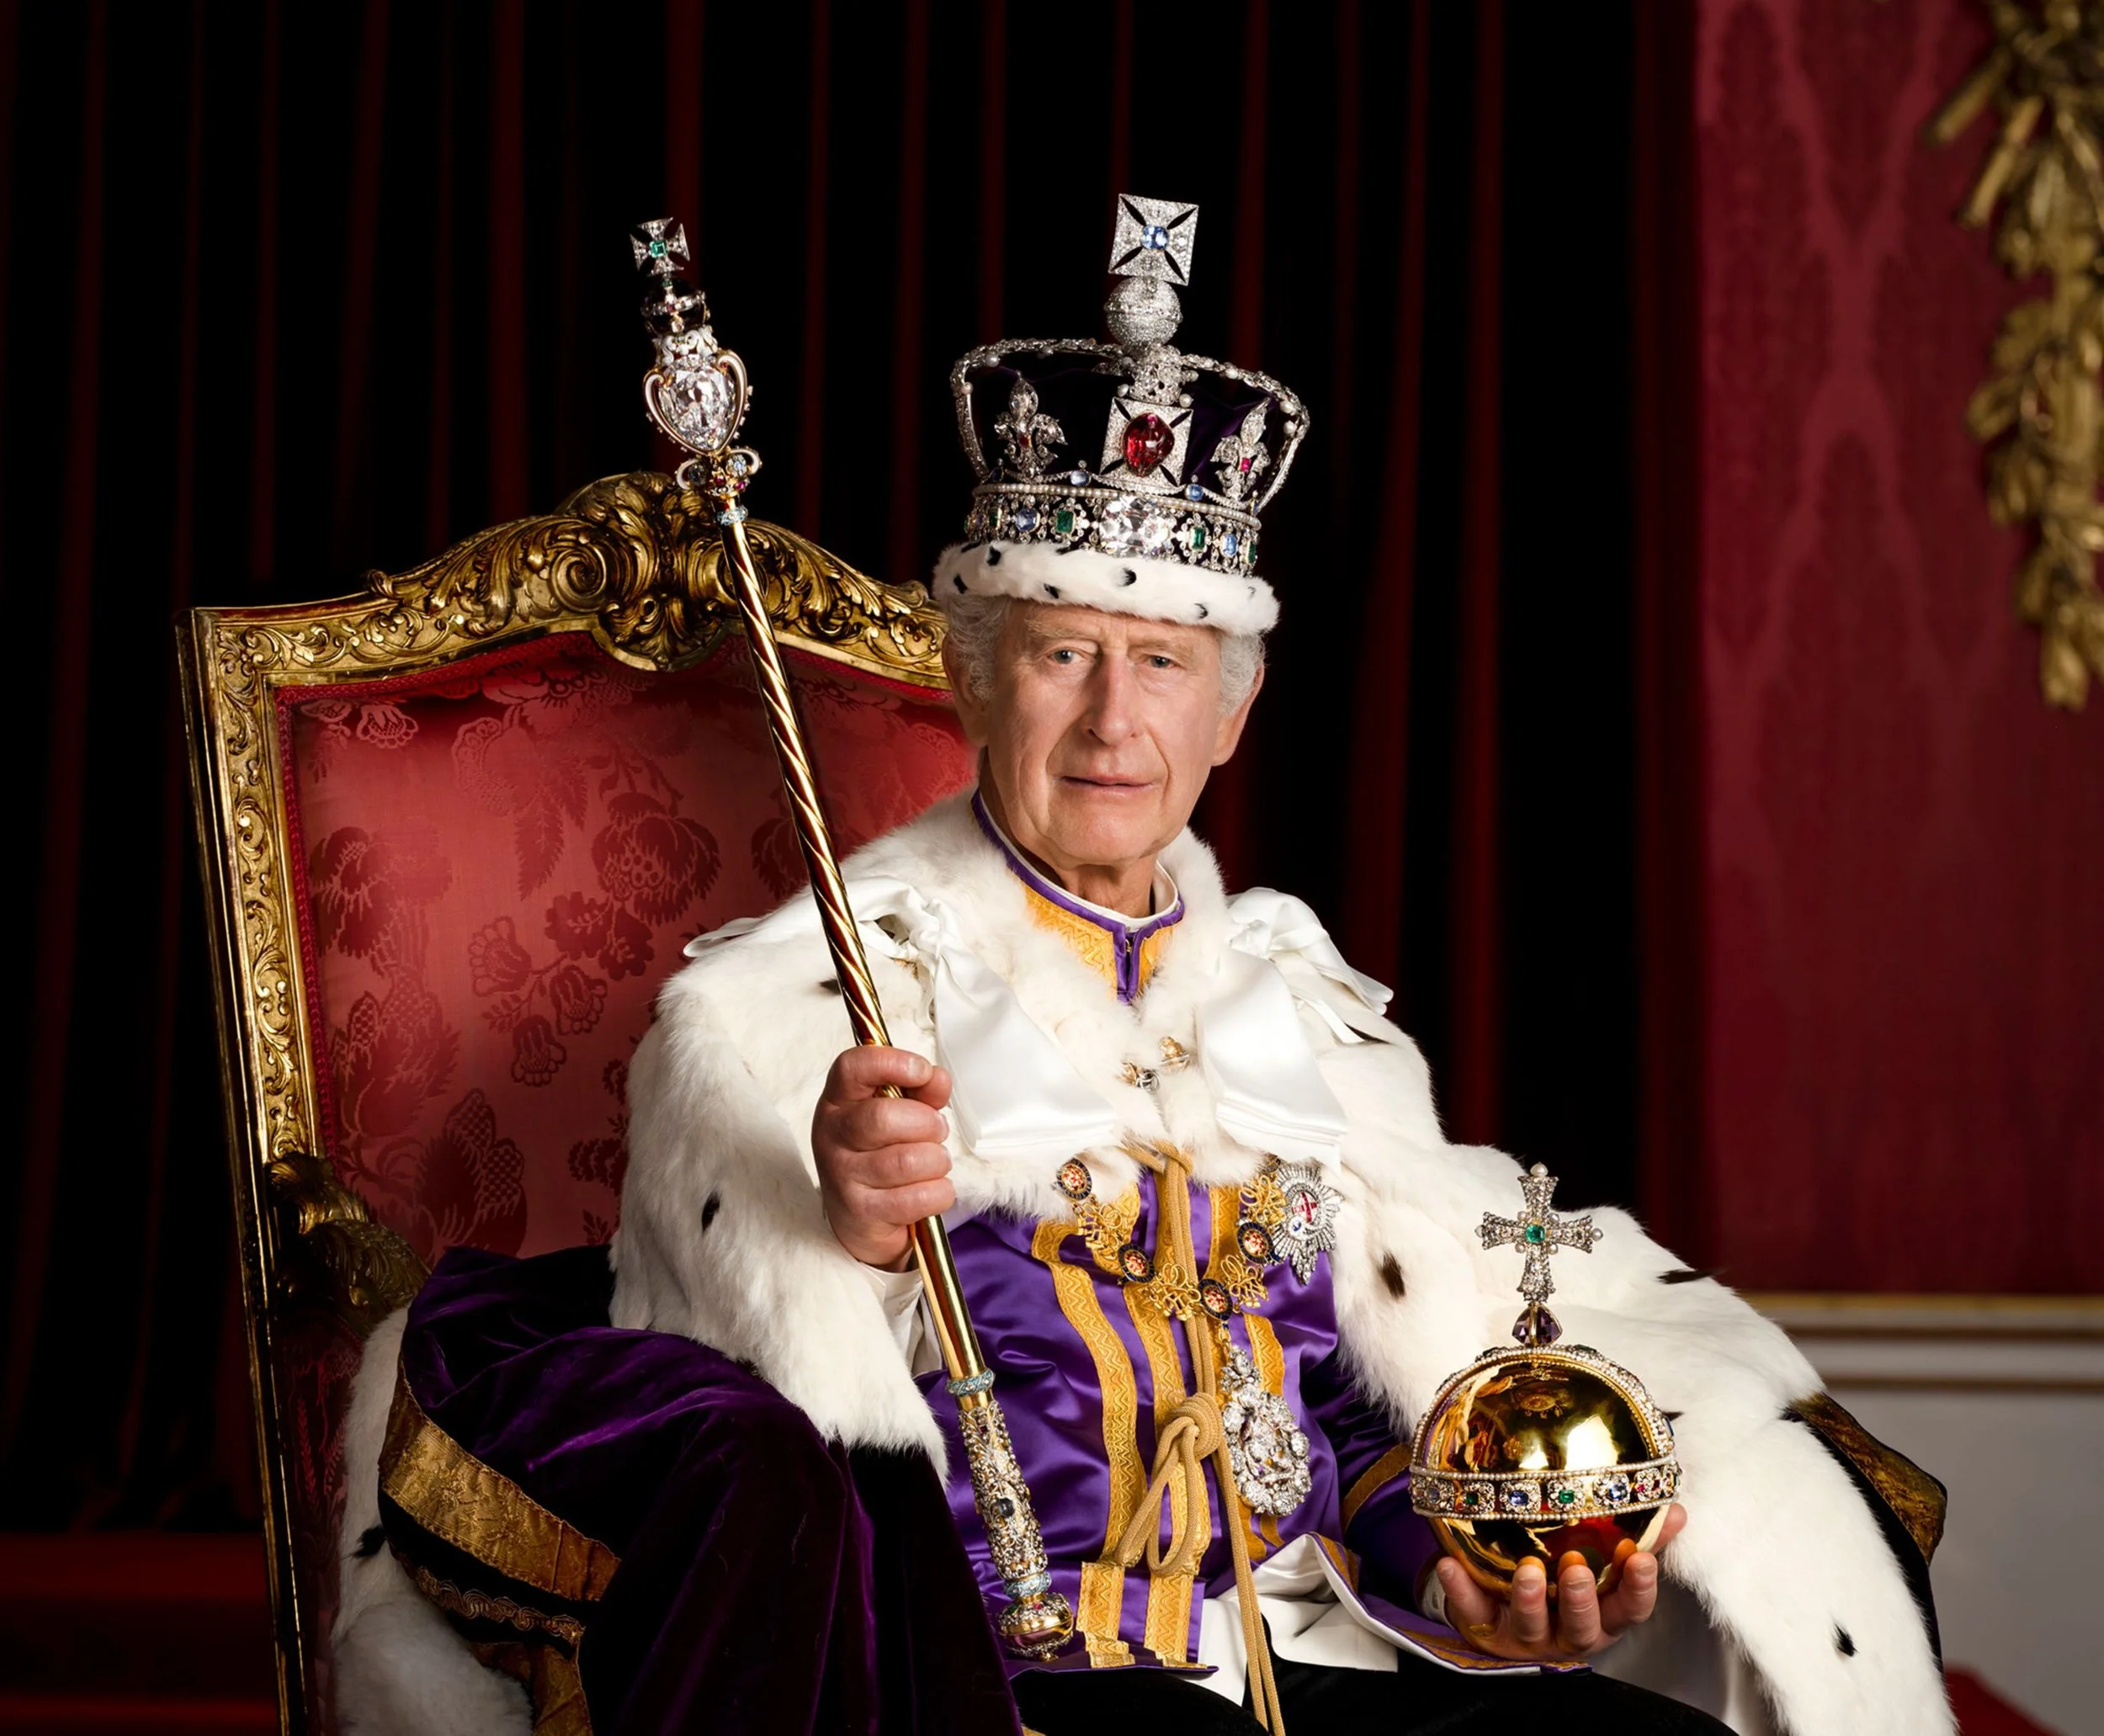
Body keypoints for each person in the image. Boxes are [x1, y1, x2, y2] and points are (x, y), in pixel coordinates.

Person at [335, 201, 1952, 1736]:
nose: (1115, 721)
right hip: (994, 1678)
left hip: (1287, 1663)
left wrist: (1465, 1577)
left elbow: (1353, 1428)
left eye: (1164, 663)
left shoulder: (1312, 1018)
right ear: (973, 684)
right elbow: (732, 1437)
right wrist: (841, 1218)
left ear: (1231, 712)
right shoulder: (786, 1012)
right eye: (1062, 656)